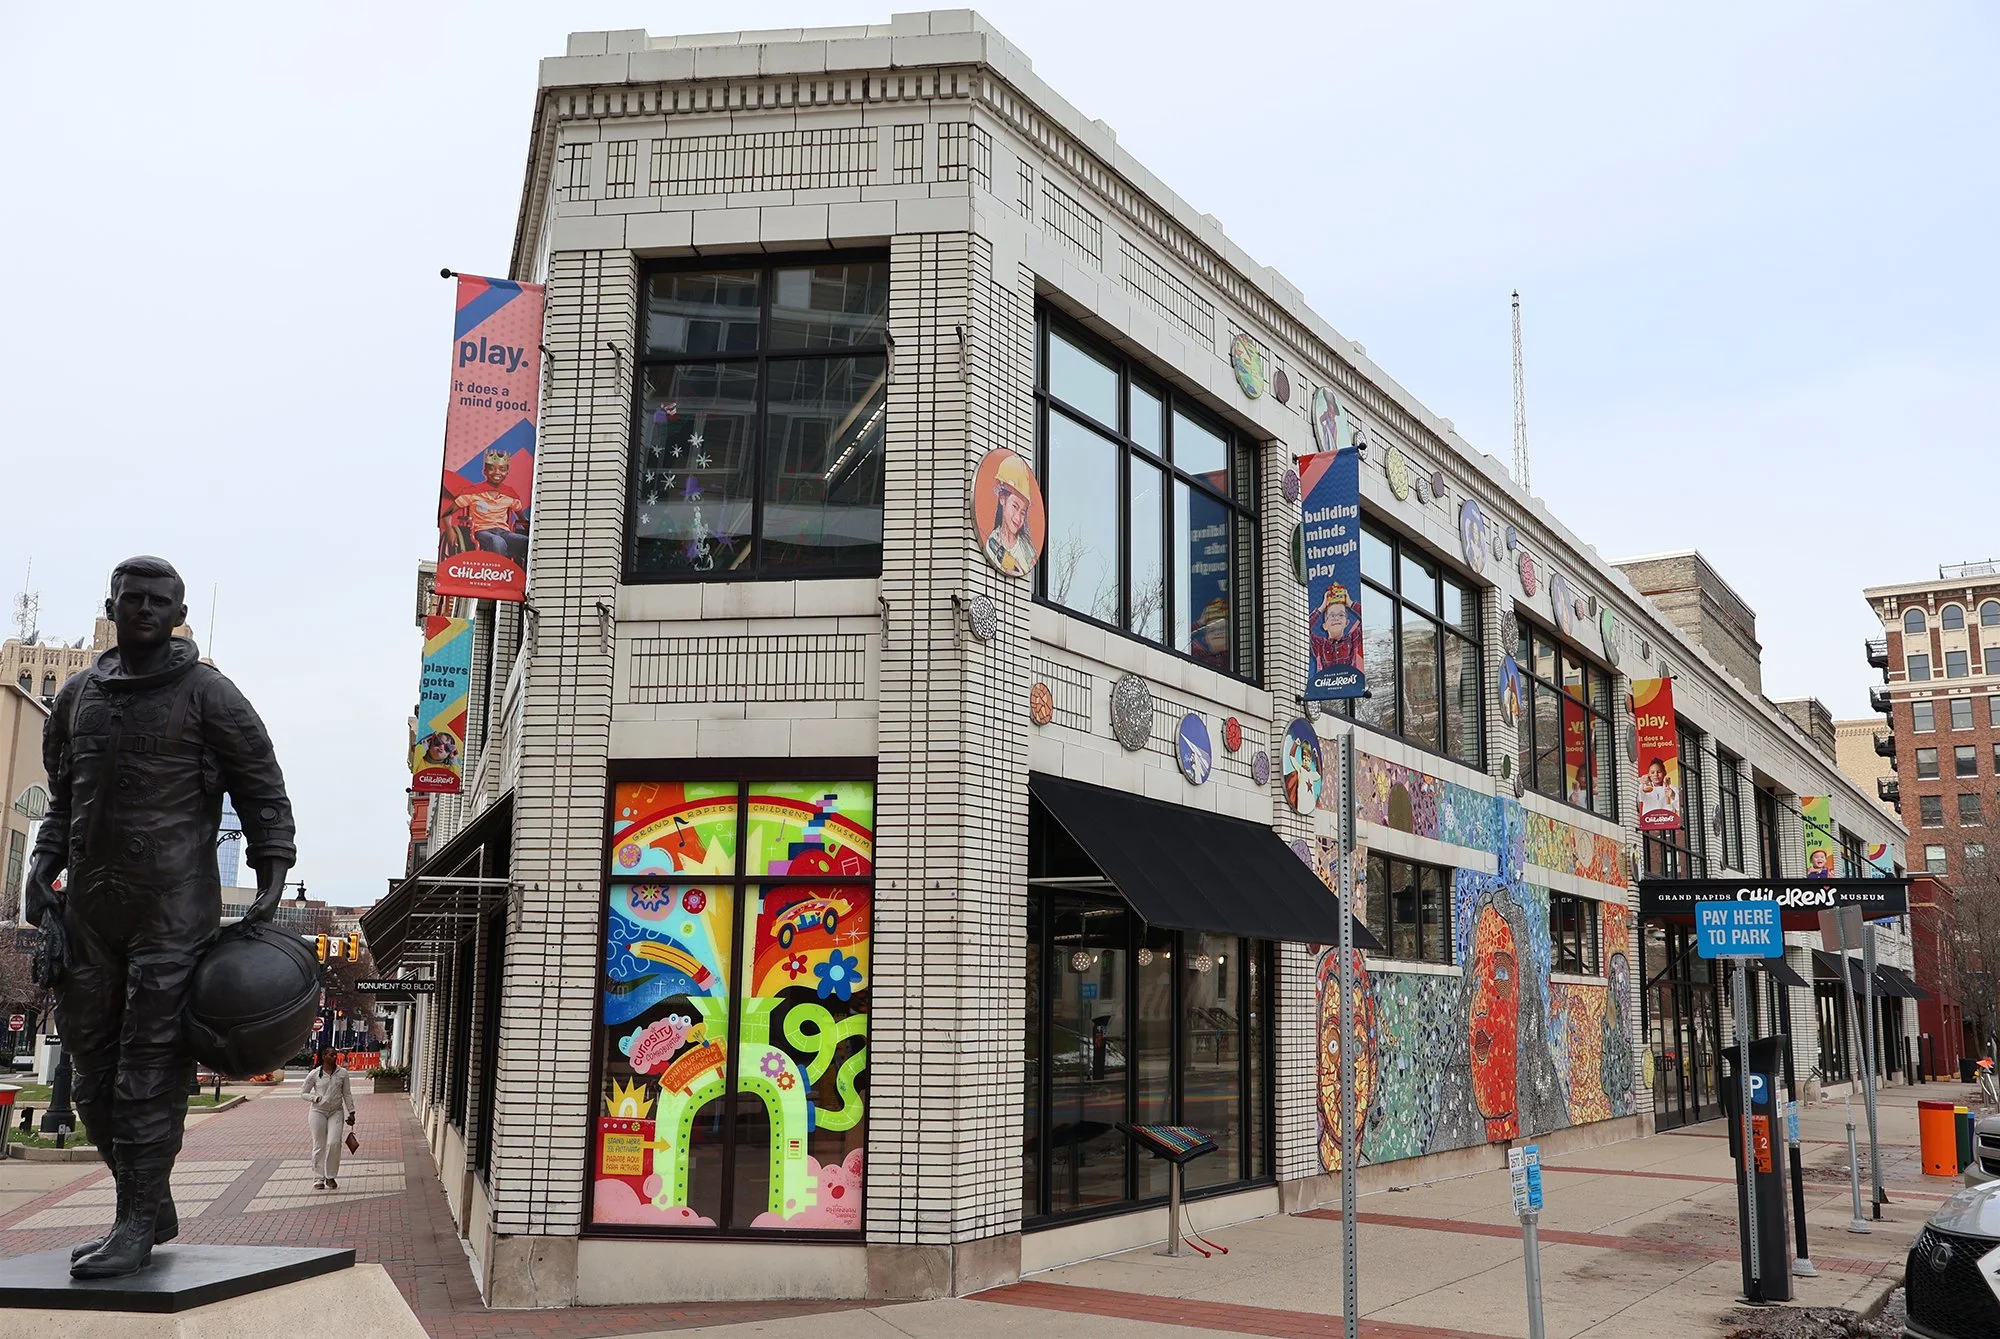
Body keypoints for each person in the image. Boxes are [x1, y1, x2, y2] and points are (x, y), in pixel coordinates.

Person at [25, 556, 296, 1278]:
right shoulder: (77, 696)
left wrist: (272, 876)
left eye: (157, 600)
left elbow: (262, 788)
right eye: (131, 597)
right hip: (89, 908)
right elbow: (62, 800)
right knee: (88, 1068)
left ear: (178, 615)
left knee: (148, 1066)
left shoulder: (208, 693)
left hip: (173, 911)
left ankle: (135, 1221)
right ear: (111, 605)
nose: (143, 609)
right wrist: (40, 870)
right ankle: (149, 1202)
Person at [445, 449, 529, 562]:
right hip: (482, 531)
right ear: (485, 471)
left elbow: (522, 520)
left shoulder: (510, 494)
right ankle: (500, 568)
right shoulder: (473, 492)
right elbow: (447, 514)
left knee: (526, 541)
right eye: (492, 469)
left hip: (504, 531)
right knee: (498, 542)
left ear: (507, 473)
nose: (497, 473)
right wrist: (450, 531)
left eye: (502, 469)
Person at [303, 1051, 357, 1190]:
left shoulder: (343, 1073)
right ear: (323, 1057)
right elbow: (303, 1093)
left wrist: (351, 1112)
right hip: (318, 1112)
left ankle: (330, 1176)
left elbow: (347, 1093)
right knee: (319, 1145)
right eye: (330, 1055)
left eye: (335, 1054)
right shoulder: (315, 1074)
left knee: (334, 1142)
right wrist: (315, 1098)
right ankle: (318, 1178)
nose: (334, 1057)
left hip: (336, 1111)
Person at [983, 453, 1040, 576]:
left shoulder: (1028, 550)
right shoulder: (992, 543)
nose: (1018, 518)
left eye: (1023, 512)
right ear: (1002, 499)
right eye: (1015, 506)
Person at [1310, 583, 1363, 682]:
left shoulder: (1352, 639)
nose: (1336, 618)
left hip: (1349, 684)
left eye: (1341, 615)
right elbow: (1304, 628)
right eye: (1332, 615)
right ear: (1325, 626)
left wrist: (1350, 603)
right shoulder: (1320, 644)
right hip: (1325, 687)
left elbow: (1367, 618)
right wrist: (1322, 607)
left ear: (1346, 623)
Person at [1637, 756, 1680, 828]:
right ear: (1649, 775)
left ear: (1664, 773)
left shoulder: (1672, 788)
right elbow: (1640, 798)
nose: (1656, 775)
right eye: (1652, 772)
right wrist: (1641, 783)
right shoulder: (1646, 787)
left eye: (1659, 772)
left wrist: (1672, 795)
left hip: (1667, 823)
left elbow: (1678, 808)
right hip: (1649, 823)